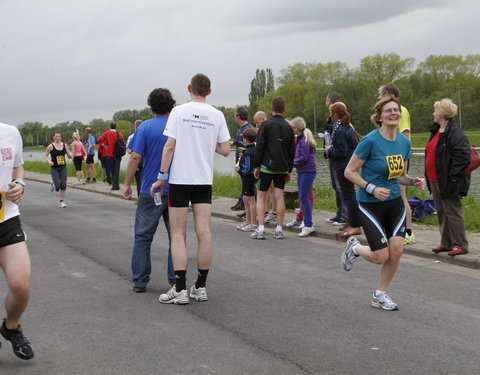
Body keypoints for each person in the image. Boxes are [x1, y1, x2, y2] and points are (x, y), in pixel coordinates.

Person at [150, 73, 230, 304]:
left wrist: (161, 177)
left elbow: (170, 146)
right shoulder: (217, 115)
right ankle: (201, 286)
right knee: (204, 233)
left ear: (189, 88)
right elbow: (225, 150)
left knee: (178, 234)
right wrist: (205, 140)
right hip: (203, 181)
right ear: (209, 91)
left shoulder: (179, 112)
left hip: (180, 180)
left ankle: (180, 288)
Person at [342, 96, 425, 311]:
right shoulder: (369, 141)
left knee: (396, 251)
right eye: (388, 111)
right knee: (381, 256)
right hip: (370, 203)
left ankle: (380, 294)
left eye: (396, 110)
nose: (393, 113)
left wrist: (413, 181)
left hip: (394, 201)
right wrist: (371, 188)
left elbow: (400, 175)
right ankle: (356, 247)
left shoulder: (404, 142)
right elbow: (349, 172)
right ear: (380, 116)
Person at [123, 89, 176, 292]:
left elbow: (135, 157)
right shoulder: (177, 126)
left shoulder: (144, 127)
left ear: (151, 106)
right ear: (171, 104)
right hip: (176, 189)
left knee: (143, 237)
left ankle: (140, 280)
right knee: (177, 237)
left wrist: (127, 183)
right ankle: (175, 279)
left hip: (150, 189)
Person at [0, 121, 34, 360]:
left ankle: (11, 328)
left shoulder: (10, 133)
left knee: (21, 286)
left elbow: (17, 167)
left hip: (7, 217)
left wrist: (20, 183)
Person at [425, 99, 471, 256]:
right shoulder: (437, 131)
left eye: (435, 111)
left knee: (453, 211)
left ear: (443, 114)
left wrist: (453, 177)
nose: (433, 113)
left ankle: (460, 244)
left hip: (448, 180)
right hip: (435, 179)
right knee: (442, 211)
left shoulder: (455, 133)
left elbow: (463, 156)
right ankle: (446, 242)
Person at [250, 96, 295, 240]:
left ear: (272, 108)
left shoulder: (266, 125)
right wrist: (289, 169)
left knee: (261, 196)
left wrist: (256, 165)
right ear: (284, 109)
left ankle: (261, 229)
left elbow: (260, 146)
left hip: (267, 166)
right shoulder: (289, 127)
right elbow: (291, 150)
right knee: (279, 196)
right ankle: (279, 229)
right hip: (282, 166)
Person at [378, 83, 415, 245]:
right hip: (389, 156)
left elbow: (405, 136)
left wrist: (402, 162)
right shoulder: (388, 112)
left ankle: (408, 232)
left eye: (379, 95)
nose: (378, 98)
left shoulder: (401, 111)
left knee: (401, 195)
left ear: (386, 94)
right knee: (391, 194)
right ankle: (391, 228)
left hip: (398, 157)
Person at [324, 103, 361, 237]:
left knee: (348, 195)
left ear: (334, 114)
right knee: (348, 194)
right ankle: (352, 221)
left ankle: (355, 225)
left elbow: (341, 151)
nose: (330, 115)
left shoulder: (340, 130)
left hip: (343, 166)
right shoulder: (347, 127)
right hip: (348, 165)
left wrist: (329, 150)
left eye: (331, 113)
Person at [290, 117, 317, 237]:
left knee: (304, 197)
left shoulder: (304, 140)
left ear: (297, 128)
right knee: (303, 196)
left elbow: (304, 157)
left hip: (307, 171)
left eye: (293, 128)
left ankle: (308, 224)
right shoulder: (301, 139)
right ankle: (305, 222)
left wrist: (292, 162)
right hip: (302, 171)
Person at [324, 91, 348, 226]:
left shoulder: (341, 123)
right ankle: (339, 214)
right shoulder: (331, 119)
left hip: (339, 158)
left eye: (326, 101)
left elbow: (341, 145)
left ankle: (345, 216)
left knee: (341, 187)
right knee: (335, 186)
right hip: (332, 156)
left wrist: (331, 149)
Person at [235, 128, 257, 232]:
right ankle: (248, 220)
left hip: (248, 178)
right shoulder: (251, 147)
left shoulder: (248, 152)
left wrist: (239, 170)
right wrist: (234, 142)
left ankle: (253, 223)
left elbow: (248, 168)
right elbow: (242, 145)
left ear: (245, 139)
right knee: (245, 199)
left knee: (250, 200)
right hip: (247, 178)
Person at [230, 106, 253, 212]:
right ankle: (241, 202)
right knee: (243, 182)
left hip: (246, 161)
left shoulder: (248, 128)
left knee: (248, 183)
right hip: (239, 160)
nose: (235, 117)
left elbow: (248, 146)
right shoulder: (239, 129)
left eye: (235, 115)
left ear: (238, 116)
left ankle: (244, 203)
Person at [44, 132, 72, 208]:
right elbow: (45, 155)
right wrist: (49, 161)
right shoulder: (51, 146)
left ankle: (62, 202)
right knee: (57, 188)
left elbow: (69, 155)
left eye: (59, 136)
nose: (57, 137)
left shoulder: (65, 145)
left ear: (61, 137)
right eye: (56, 136)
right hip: (54, 168)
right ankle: (53, 182)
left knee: (63, 185)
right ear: (54, 137)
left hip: (63, 167)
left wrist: (70, 155)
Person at [100, 122, 124, 190]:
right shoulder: (119, 134)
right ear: (116, 127)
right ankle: (116, 185)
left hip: (110, 155)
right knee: (117, 170)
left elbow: (100, 139)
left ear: (110, 127)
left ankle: (114, 185)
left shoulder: (107, 133)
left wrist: (105, 146)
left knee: (112, 171)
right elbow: (122, 144)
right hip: (118, 155)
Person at [126, 120, 143, 197]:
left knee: (138, 180)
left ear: (134, 127)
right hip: (145, 160)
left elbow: (129, 151)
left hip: (136, 160)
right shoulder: (145, 134)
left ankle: (140, 197)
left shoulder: (131, 137)